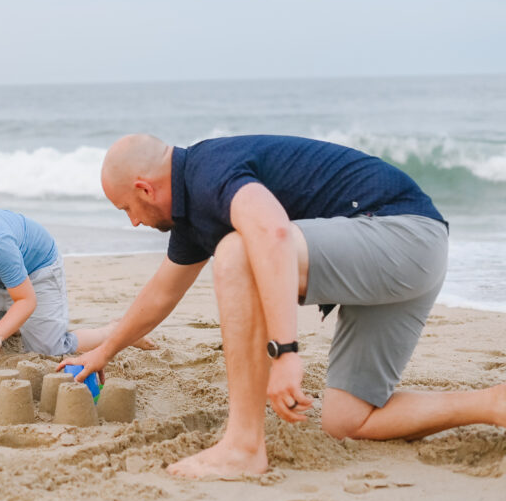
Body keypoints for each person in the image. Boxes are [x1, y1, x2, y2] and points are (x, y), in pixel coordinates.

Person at [61, 133, 506, 479]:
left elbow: (272, 233)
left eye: (127, 208)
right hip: (403, 258)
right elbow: (161, 294)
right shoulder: (193, 214)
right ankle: (492, 404)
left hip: (402, 237)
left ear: (145, 187)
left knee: (237, 251)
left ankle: (243, 445)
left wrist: (285, 353)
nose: (133, 221)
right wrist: (105, 351)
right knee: (348, 419)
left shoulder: (210, 172)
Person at [0, 191, 154, 363]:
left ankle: (113, 330)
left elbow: (26, 300)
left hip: (36, 270)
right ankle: (15, 324)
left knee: (48, 350)